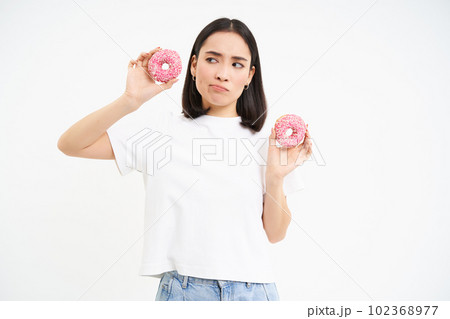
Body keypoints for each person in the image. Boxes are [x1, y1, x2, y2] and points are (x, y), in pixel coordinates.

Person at [57, 17, 312, 301]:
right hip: (184, 292)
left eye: (237, 64)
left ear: (250, 76)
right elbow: (71, 144)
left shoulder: (269, 140)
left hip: (255, 292)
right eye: (212, 60)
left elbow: (275, 234)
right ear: (193, 65)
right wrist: (130, 100)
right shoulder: (161, 131)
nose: (223, 74)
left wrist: (275, 178)